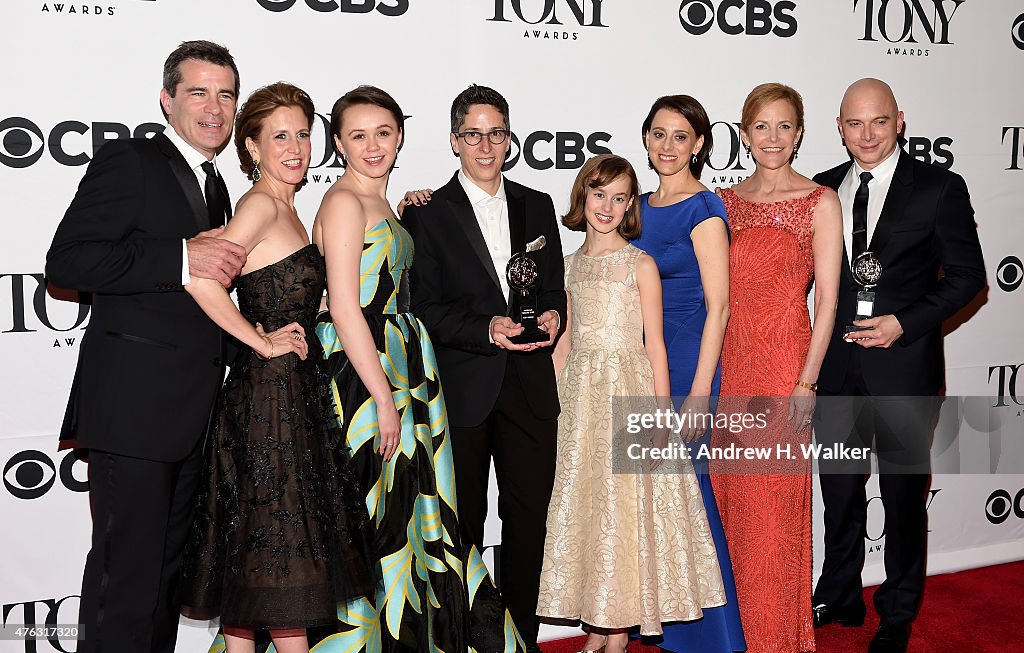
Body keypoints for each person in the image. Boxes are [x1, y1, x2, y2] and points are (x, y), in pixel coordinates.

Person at [45, 40, 247, 653]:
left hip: (190, 415)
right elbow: (68, 261)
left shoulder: (217, 187)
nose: (213, 108)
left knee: (162, 579)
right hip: (132, 413)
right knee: (125, 581)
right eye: (197, 92)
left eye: (225, 94)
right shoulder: (130, 161)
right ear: (166, 99)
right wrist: (179, 256)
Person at [312, 85, 526, 652]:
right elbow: (343, 306)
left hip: (404, 366)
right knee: (373, 516)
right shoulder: (342, 203)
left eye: (383, 132)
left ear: (401, 135)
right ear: (337, 141)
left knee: (410, 513)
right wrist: (383, 399)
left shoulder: (386, 202)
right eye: (357, 135)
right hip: (364, 373)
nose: (373, 145)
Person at [177, 82, 376, 653]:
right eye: (279, 136)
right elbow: (202, 279)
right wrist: (259, 342)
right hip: (267, 398)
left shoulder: (290, 206)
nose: (295, 147)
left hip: (292, 395)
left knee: (260, 565)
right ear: (253, 147)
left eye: (303, 135)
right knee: (283, 562)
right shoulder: (261, 205)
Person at [810, 78, 985, 653]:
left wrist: (902, 323)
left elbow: (967, 279)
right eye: (854, 123)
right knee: (839, 489)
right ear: (839, 127)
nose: (866, 135)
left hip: (903, 368)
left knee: (904, 495)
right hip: (836, 367)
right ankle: (839, 592)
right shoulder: (822, 189)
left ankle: (898, 611)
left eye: (878, 122)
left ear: (900, 121)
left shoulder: (939, 188)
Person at [537, 154, 726, 653]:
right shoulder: (567, 265)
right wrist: (557, 401)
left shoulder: (641, 265)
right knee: (591, 507)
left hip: (631, 389)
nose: (607, 206)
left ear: (630, 206)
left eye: (620, 198)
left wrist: (662, 410)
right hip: (581, 398)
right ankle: (598, 625)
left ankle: (619, 631)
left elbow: (655, 344)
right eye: (599, 194)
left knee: (626, 510)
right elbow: (565, 342)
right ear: (583, 196)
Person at [400, 84, 566, 652]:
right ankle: (469, 640)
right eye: (473, 134)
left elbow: (554, 291)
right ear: (453, 141)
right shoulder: (428, 213)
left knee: (528, 524)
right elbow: (422, 308)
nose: (486, 145)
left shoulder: (537, 204)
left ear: (509, 138)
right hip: (463, 390)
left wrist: (552, 315)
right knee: (462, 525)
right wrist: (485, 328)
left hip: (530, 388)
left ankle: (521, 638)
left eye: (497, 133)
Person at [712, 83, 843, 653]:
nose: (772, 138)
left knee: (774, 517)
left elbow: (830, 302)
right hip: (728, 368)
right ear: (743, 133)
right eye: (761, 126)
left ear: (800, 133)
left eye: (784, 126)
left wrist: (808, 381)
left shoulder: (820, 202)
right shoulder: (723, 201)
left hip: (784, 367)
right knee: (729, 508)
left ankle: (777, 639)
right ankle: (731, 635)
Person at [631, 95, 746, 653]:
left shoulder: (704, 209)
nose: (668, 146)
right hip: (639, 362)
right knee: (649, 497)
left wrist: (701, 392)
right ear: (646, 138)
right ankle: (657, 618)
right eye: (659, 133)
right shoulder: (636, 206)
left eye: (681, 136)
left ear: (700, 143)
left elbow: (720, 306)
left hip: (686, 364)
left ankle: (712, 636)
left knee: (688, 495)